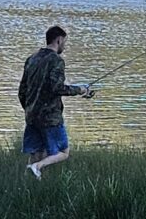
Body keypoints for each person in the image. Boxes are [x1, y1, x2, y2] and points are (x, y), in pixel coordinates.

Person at [17, 25, 95, 178]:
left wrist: (28, 109)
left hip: (31, 116)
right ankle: (37, 166)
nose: (64, 46)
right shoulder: (57, 61)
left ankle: (29, 183)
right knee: (63, 152)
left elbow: (22, 91)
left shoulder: (31, 59)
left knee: (37, 152)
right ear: (59, 40)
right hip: (50, 118)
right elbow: (57, 88)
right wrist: (80, 90)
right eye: (64, 42)